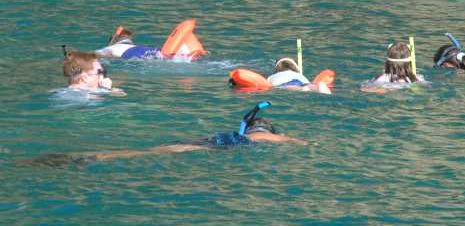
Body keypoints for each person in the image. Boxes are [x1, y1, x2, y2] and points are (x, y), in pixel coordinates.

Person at [21, 102, 307, 167]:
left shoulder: (238, 134)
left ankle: (91, 156)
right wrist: (302, 142)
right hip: (204, 148)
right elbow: (282, 141)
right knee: (149, 153)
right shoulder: (258, 137)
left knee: (152, 150)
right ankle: (94, 157)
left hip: (202, 142)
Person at [361, 41, 426, 94]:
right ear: (410, 63)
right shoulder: (418, 78)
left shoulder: (381, 78)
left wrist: (387, 89)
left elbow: (363, 88)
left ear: (388, 63)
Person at [95, 26, 162, 59]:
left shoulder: (110, 48)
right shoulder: (137, 47)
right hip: (152, 50)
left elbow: (88, 57)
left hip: (130, 54)